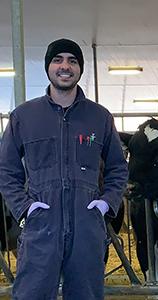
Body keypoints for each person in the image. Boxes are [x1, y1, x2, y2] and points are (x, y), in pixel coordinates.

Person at [0, 38, 128, 299]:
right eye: (57, 60)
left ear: (80, 69)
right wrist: (25, 207)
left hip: (86, 226)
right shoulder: (24, 116)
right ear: (48, 67)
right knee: (31, 294)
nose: (65, 66)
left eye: (72, 61)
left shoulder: (99, 117)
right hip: (41, 226)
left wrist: (105, 204)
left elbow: (118, 168)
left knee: (86, 295)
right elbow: (6, 169)